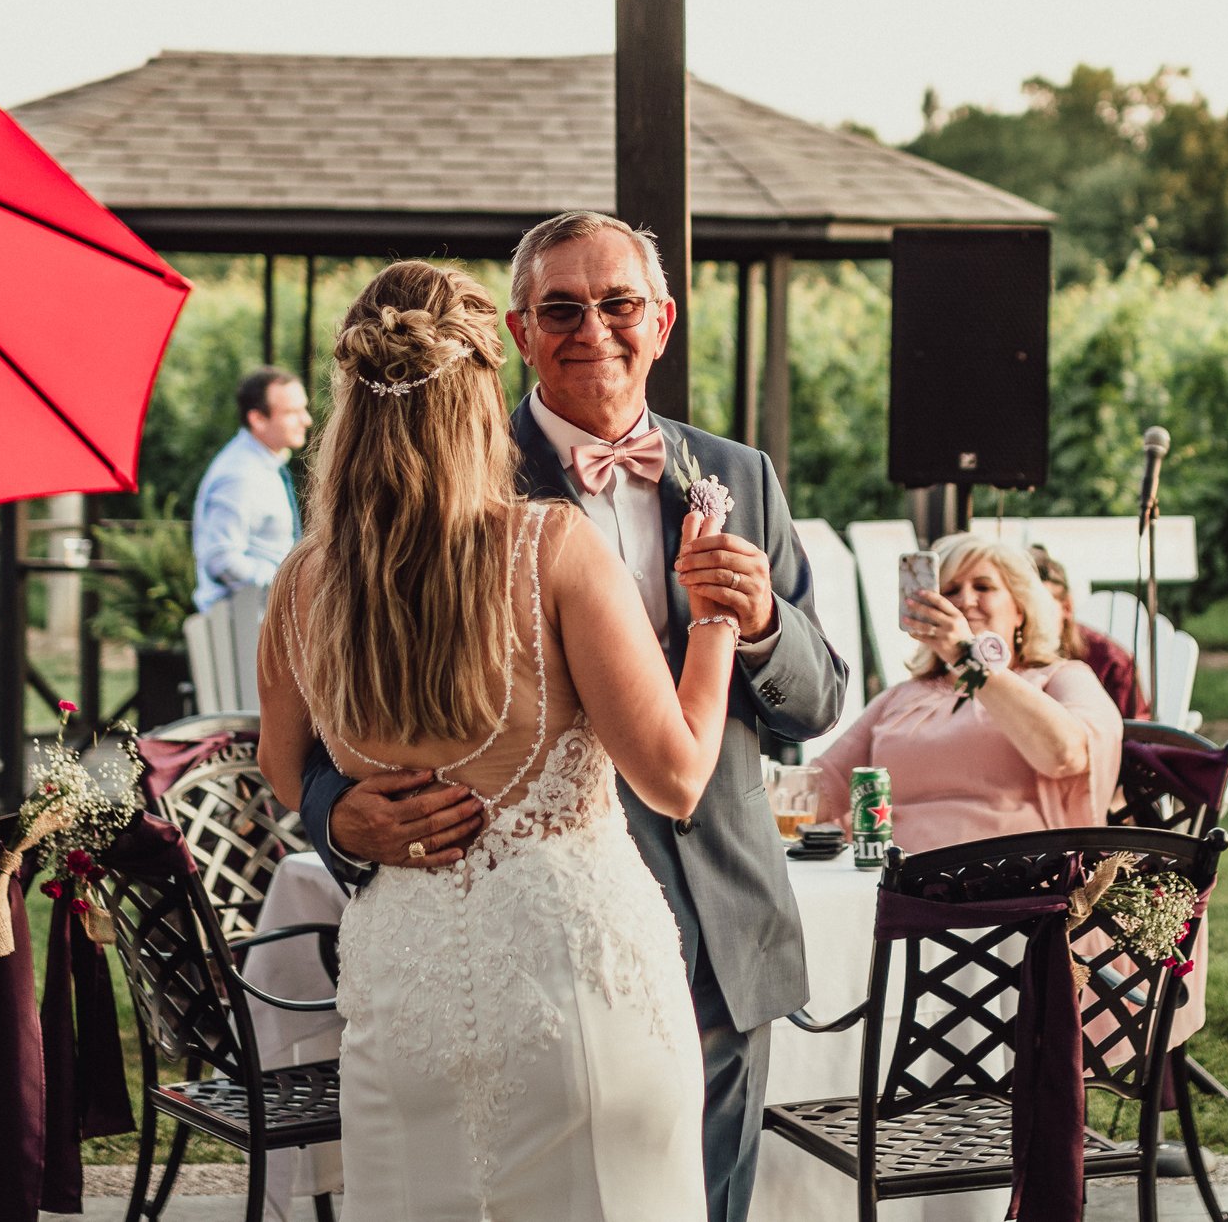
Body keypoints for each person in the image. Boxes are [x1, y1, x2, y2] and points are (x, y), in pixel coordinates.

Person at [284, 212, 851, 1222]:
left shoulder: (741, 475)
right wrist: (337, 816)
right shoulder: (446, 477)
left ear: (662, 320)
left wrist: (758, 620)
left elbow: (819, 698)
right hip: (538, 930)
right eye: (561, 307)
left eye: (619, 302)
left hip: (722, 920)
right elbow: (323, 741)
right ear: (515, 332)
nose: (593, 326)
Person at [816, 533, 1123, 852]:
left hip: (1016, 884)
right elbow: (824, 786)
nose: (965, 600)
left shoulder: (1062, 677)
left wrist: (967, 656)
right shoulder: (901, 697)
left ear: (1020, 610)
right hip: (897, 885)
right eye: (950, 591)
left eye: (983, 587)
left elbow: (1065, 756)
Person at [190, 365, 312, 611]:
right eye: (292, 412)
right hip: (244, 630)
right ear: (257, 419)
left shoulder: (264, 466)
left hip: (258, 623)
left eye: (304, 409)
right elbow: (221, 559)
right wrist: (288, 585)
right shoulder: (240, 474)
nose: (306, 420)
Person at [1030, 544, 1147, 718]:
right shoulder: (1001, 658)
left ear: (1067, 607)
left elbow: (1137, 734)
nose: (1026, 619)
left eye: (1038, 606)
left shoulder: (1111, 663)